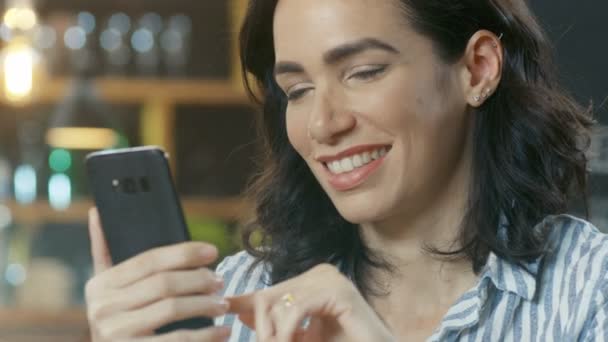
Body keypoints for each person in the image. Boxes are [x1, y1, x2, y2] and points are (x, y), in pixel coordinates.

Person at [84, 0, 607, 341]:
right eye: (298, 91)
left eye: (364, 72)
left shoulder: (589, 289)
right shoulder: (228, 299)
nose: (323, 124)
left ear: (477, 69)